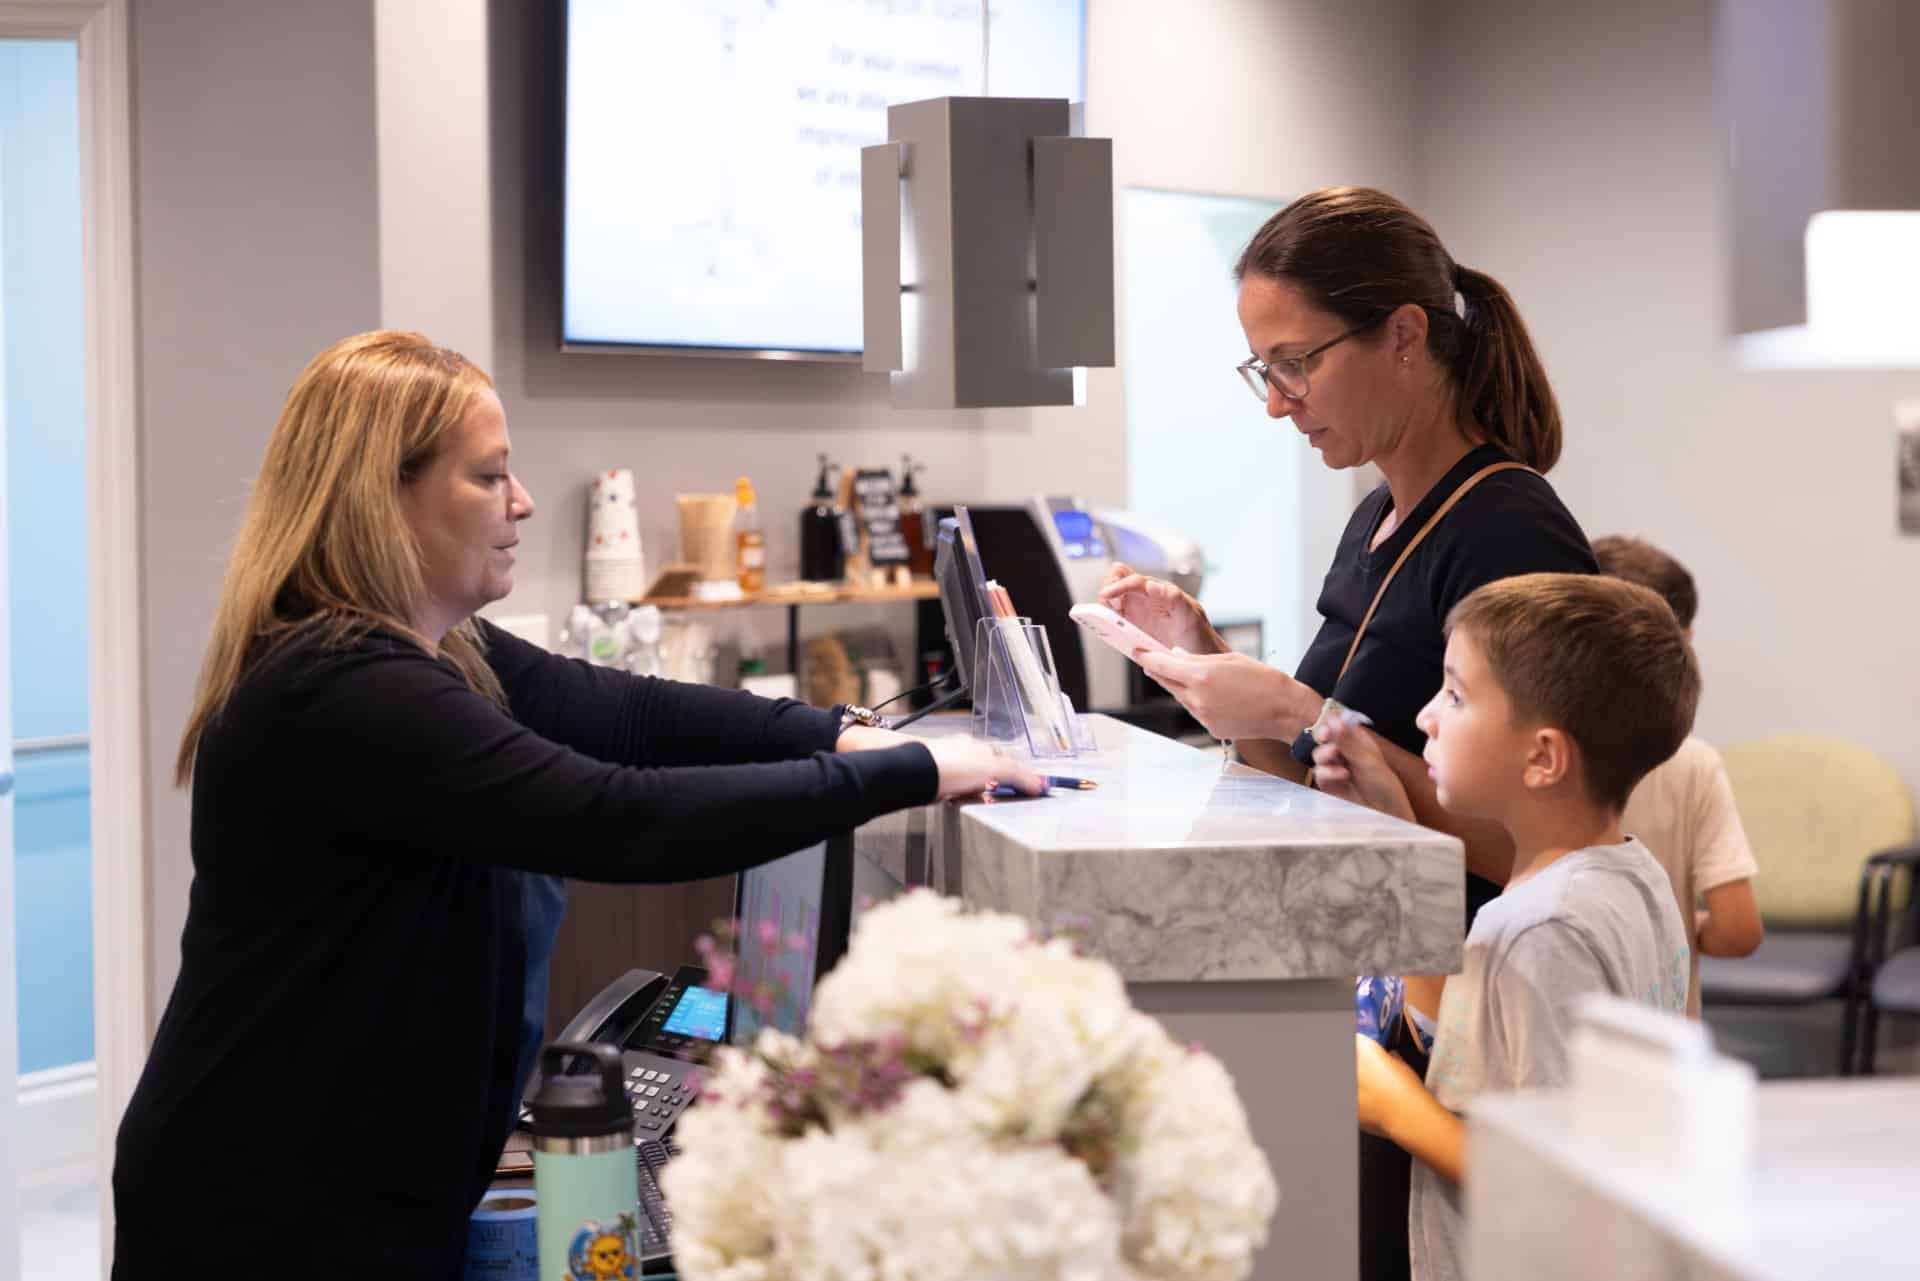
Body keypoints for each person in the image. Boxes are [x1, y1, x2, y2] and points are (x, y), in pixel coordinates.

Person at [111, 331, 1042, 1279]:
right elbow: (613, 816)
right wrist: (908, 773)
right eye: (489, 477)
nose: (520, 501)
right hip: (263, 1215)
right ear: (382, 498)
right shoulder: (344, 685)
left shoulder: (444, 650)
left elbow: (632, 713)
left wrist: (843, 733)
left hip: (343, 1191)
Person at [1098, 185, 1595, 1281]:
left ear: (1404, 336)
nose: (1278, 404)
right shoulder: (1375, 515)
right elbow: (1318, 779)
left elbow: (1545, 843)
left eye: (1297, 364)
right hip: (1377, 984)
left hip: (1469, 1021)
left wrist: (1300, 712)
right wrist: (1217, 673)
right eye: (1262, 371)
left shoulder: (1509, 530)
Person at [1313, 573, 1695, 1281]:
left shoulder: (1539, 928)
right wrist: (1395, 824)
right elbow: (1471, 1047)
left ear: (1543, 757)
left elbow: (1555, 1184)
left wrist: (1396, 1107)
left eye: (1455, 696)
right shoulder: (1630, 877)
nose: (1426, 715)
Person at [1594, 535, 1763, 1013]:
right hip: (1661, 1037)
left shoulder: (1535, 758)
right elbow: (1738, 930)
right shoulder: (1693, 764)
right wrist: (1682, 928)